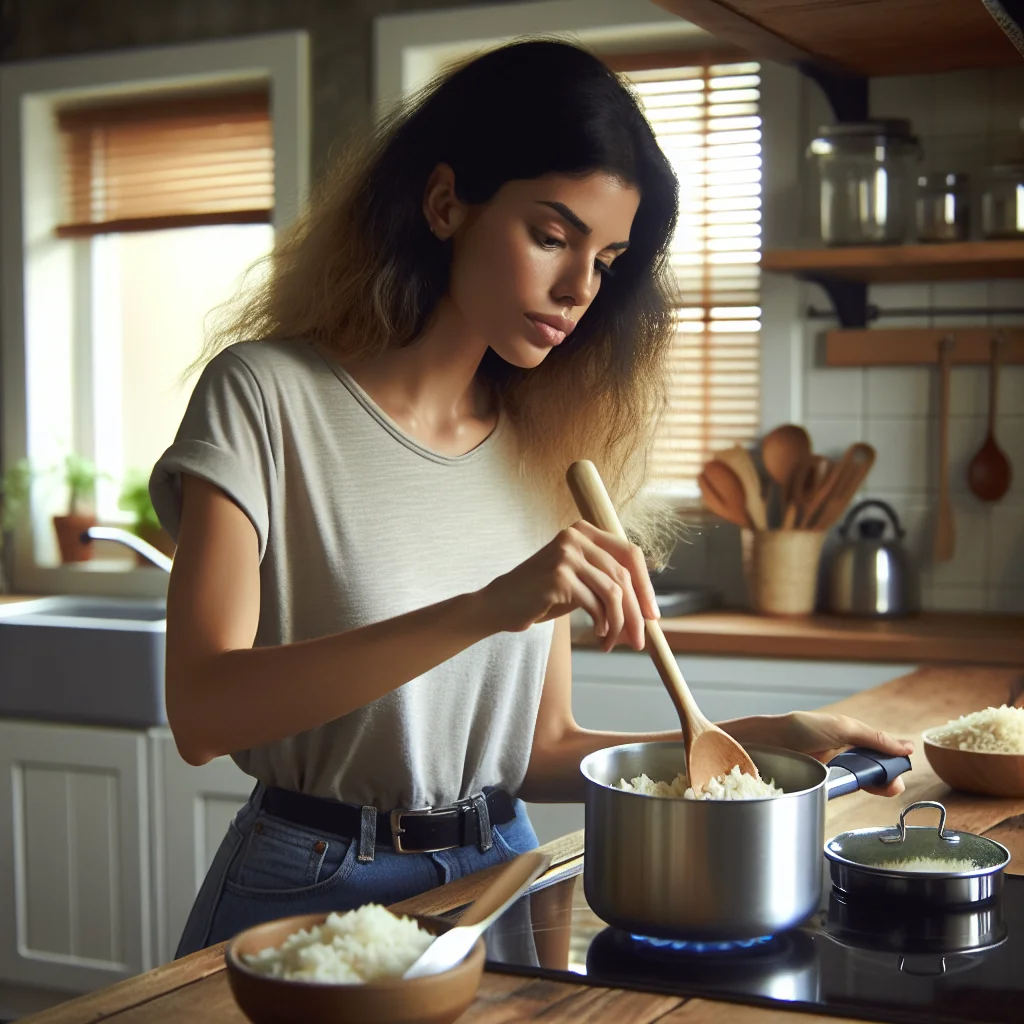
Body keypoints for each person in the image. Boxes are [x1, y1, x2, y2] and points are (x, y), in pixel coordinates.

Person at [150, 39, 914, 959]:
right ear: (445, 203)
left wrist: (770, 740)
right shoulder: (265, 398)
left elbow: (537, 749)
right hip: (310, 876)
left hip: (503, 870)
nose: (578, 289)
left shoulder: (549, 448)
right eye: (552, 235)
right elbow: (202, 712)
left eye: (607, 258)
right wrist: (487, 607)